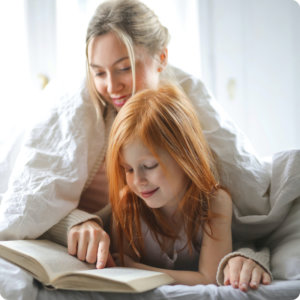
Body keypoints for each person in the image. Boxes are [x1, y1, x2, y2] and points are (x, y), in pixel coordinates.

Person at [0, 0, 271, 292]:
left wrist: (249, 255)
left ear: (162, 58)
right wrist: (75, 223)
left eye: (124, 68)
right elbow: (32, 205)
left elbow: (252, 210)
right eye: (99, 72)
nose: (112, 87)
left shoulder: (184, 116)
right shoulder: (79, 115)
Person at [106, 84, 233, 285]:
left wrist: (135, 268)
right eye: (128, 169)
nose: (138, 181)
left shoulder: (215, 203)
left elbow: (211, 278)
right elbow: (120, 267)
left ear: (183, 155)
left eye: (149, 165)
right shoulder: (127, 206)